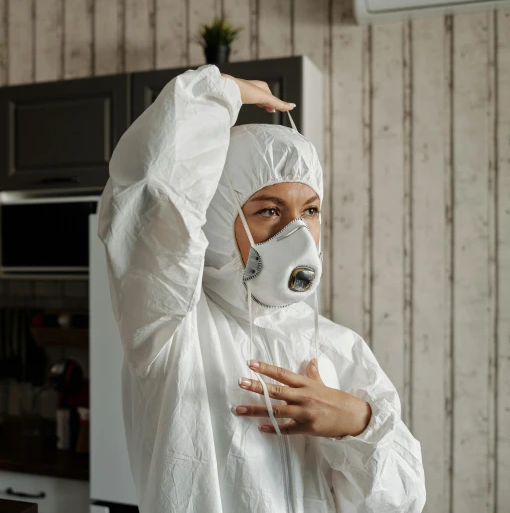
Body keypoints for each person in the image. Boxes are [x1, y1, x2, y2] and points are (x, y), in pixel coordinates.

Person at [97, 65, 426, 512]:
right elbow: (153, 190)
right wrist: (222, 91)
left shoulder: (340, 348)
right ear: (216, 219)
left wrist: (357, 424)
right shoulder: (174, 329)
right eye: (270, 211)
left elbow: (398, 503)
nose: (298, 234)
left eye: (310, 210)